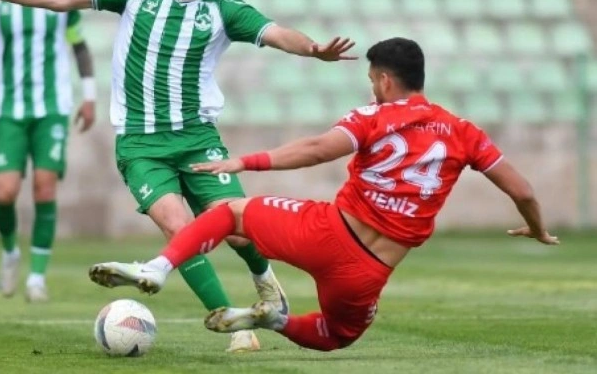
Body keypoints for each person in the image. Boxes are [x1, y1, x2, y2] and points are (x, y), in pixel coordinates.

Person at [0, 0, 355, 351]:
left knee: (237, 231)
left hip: (197, 139)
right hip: (140, 145)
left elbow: (277, 33)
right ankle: (235, 325)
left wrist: (313, 49)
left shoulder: (223, 7)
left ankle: (264, 280)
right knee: (179, 229)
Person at [85, 38, 560, 352]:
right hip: (367, 275)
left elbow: (316, 150)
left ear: (384, 80)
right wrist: (537, 229)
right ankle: (273, 320)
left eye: (372, 80)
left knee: (229, 213)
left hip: (326, 233)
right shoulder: (464, 132)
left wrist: (245, 162)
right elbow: (522, 190)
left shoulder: (374, 116)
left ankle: (158, 267)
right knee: (336, 336)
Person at [0, 0, 97, 303]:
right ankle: (10, 251)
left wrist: (89, 96)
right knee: (4, 192)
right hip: (7, 108)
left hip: (51, 106)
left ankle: (37, 278)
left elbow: (79, 46)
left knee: (45, 187)